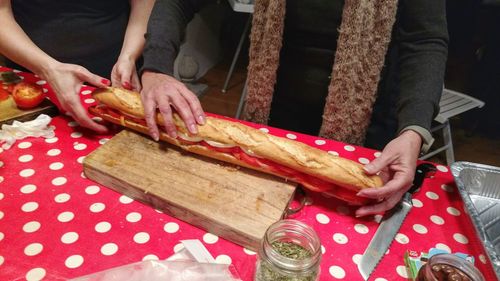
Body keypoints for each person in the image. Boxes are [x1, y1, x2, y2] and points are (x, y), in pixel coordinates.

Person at [140, 0, 448, 217]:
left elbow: (425, 39)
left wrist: (414, 129)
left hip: (364, 134)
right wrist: (156, 67)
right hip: (270, 123)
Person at [0, 0, 154, 133]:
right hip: (33, 83)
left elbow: (144, 3)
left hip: (117, 72)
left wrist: (129, 56)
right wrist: (47, 69)